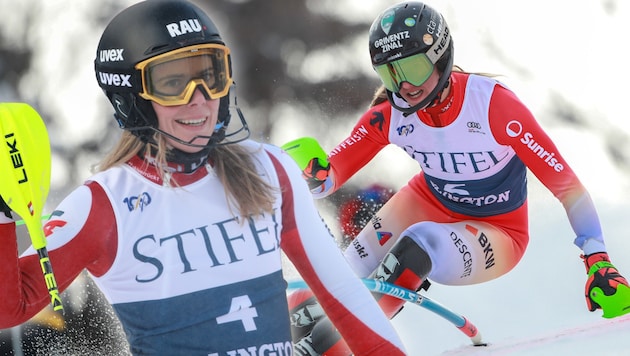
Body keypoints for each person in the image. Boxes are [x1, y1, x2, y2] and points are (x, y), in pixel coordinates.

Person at [0, 1, 407, 355]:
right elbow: (10, 306)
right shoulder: (103, 205)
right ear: (131, 96)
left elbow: (344, 295)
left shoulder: (269, 170)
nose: (199, 98)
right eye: (173, 83)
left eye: (210, 75)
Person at [283, 1, 630, 353]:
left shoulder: (495, 107)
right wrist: (311, 172)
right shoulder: (389, 115)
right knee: (325, 286)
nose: (404, 86)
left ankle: (324, 347)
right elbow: (329, 177)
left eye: (414, 69)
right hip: (426, 201)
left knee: (420, 244)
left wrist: (597, 257)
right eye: (391, 74)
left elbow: (568, 187)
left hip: (498, 230)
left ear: (440, 56)